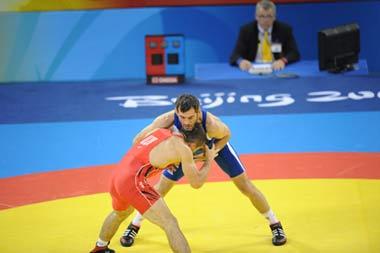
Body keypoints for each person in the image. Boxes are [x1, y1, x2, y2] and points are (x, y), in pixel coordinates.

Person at [120, 94, 287, 248]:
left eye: (190, 117)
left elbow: (227, 135)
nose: (186, 122)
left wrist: (212, 153)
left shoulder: (211, 124)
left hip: (212, 147)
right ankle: (135, 224)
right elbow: (137, 141)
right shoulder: (166, 120)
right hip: (182, 152)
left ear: (198, 112)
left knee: (245, 186)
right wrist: (163, 161)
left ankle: (275, 224)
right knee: (160, 190)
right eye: (182, 117)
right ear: (176, 112)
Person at [89, 124, 217, 253]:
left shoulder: (161, 131)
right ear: (192, 145)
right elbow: (196, 183)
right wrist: (208, 161)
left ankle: (100, 247)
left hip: (117, 176)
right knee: (170, 223)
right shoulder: (184, 149)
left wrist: (166, 163)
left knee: (120, 213)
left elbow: (139, 144)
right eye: (197, 149)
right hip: (132, 181)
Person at [230, 0, 300, 71]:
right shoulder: (246, 31)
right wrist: (241, 62)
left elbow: (294, 53)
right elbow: (235, 55)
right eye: (262, 16)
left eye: (269, 16)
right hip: (253, 69)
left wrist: (283, 61)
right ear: (256, 17)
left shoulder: (284, 30)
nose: (265, 20)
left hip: (276, 69)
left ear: (274, 17)